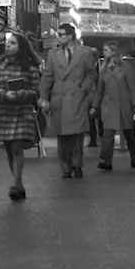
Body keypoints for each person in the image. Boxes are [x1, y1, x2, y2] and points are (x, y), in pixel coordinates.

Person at [39, 23, 98, 179]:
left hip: (77, 97)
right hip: (59, 98)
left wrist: (83, 88)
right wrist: (44, 97)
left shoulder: (85, 53)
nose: (58, 37)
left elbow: (91, 74)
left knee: (77, 135)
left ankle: (77, 164)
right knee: (62, 135)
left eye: (61, 34)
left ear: (70, 36)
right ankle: (65, 167)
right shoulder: (53, 54)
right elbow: (47, 77)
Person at [0, 31, 42, 200]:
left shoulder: (31, 68)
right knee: (9, 151)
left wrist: (20, 94)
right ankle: (18, 185)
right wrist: (4, 95)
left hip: (22, 112)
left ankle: (16, 185)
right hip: (4, 112)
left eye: (12, 43)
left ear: (21, 46)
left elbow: (36, 91)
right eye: (8, 43)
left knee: (17, 148)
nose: (8, 45)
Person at [92, 39, 135, 171]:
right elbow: (99, 90)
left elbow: (133, 87)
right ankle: (105, 160)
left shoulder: (126, 67)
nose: (103, 53)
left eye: (106, 50)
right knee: (107, 134)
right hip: (108, 106)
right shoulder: (103, 68)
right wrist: (95, 106)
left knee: (128, 133)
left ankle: (133, 155)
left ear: (113, 52)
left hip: (123, 105)